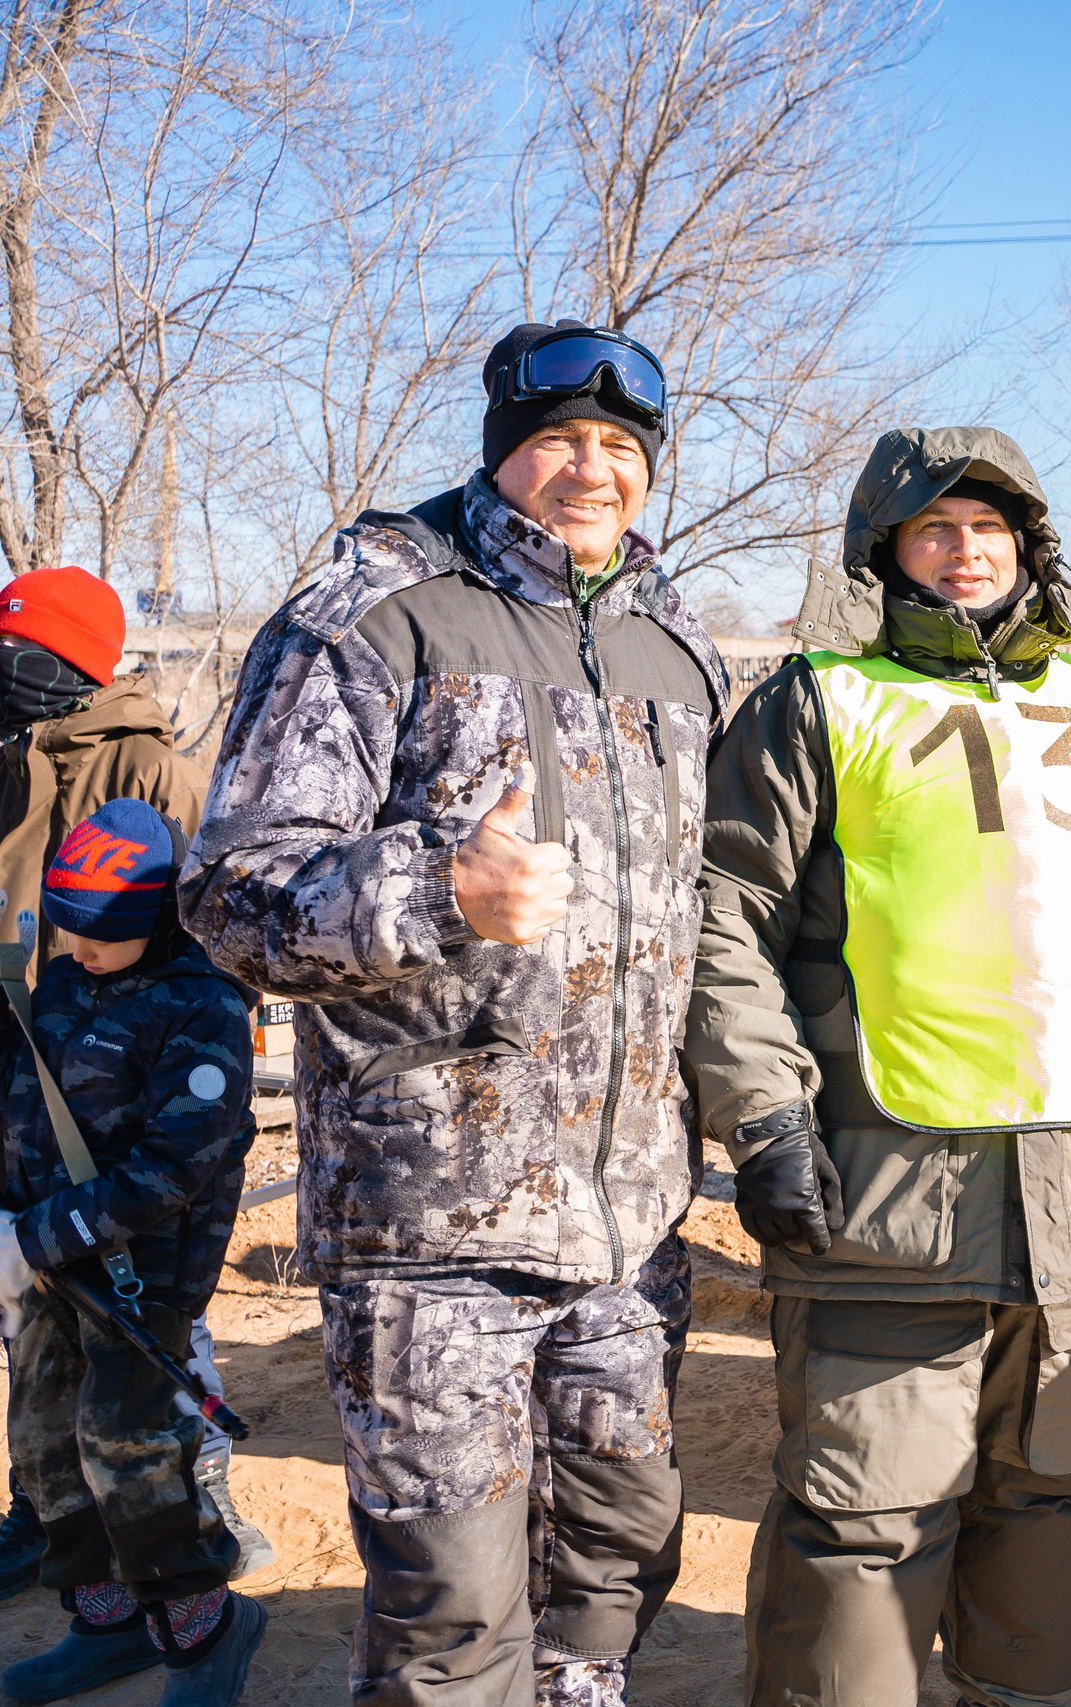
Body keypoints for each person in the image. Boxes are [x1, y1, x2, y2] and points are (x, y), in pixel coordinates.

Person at [179, 319, 728, 1707]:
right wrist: (436, 884)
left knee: (612, 1570)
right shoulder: (376, 613)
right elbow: (233, 898)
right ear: (502, 452)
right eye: (560, 440)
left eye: (621, 446)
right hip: (434, 1225)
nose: (593, 469)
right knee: (450, 1610)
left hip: (633, 1222)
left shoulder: (677, 646)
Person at [684, 425, 1071, 1707]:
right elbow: (723, 918)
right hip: (884, 1195)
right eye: (934, 527)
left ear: (1026, 548)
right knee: (867, 1515)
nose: (964, 548)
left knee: (1055, 1492)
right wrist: (763, 1122)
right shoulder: (818, 699)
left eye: (989, 527)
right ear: (887, 553)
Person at [0, 567, 270, 1596]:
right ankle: (55, 1521)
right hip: (33, 1040)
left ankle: (199, 1507)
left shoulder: (154, 771)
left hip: (135, 1077)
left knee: (149, 1322)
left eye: (31, 653)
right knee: (41, 1340)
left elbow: (206, 936)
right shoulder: (8, 750)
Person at [0, 800, 264, 1705]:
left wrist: (34, 1234)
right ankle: (106, 1621)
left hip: (141, 1273)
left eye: (102, 936)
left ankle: (202, 1628)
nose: (77, 952)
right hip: (46, 1262)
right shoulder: (70, 979)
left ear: (156, 917)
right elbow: (28, 1107)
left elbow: (173, 1170)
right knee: (42, 1442)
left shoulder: (204, 1005)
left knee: (127, 1442)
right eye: (70, 930)